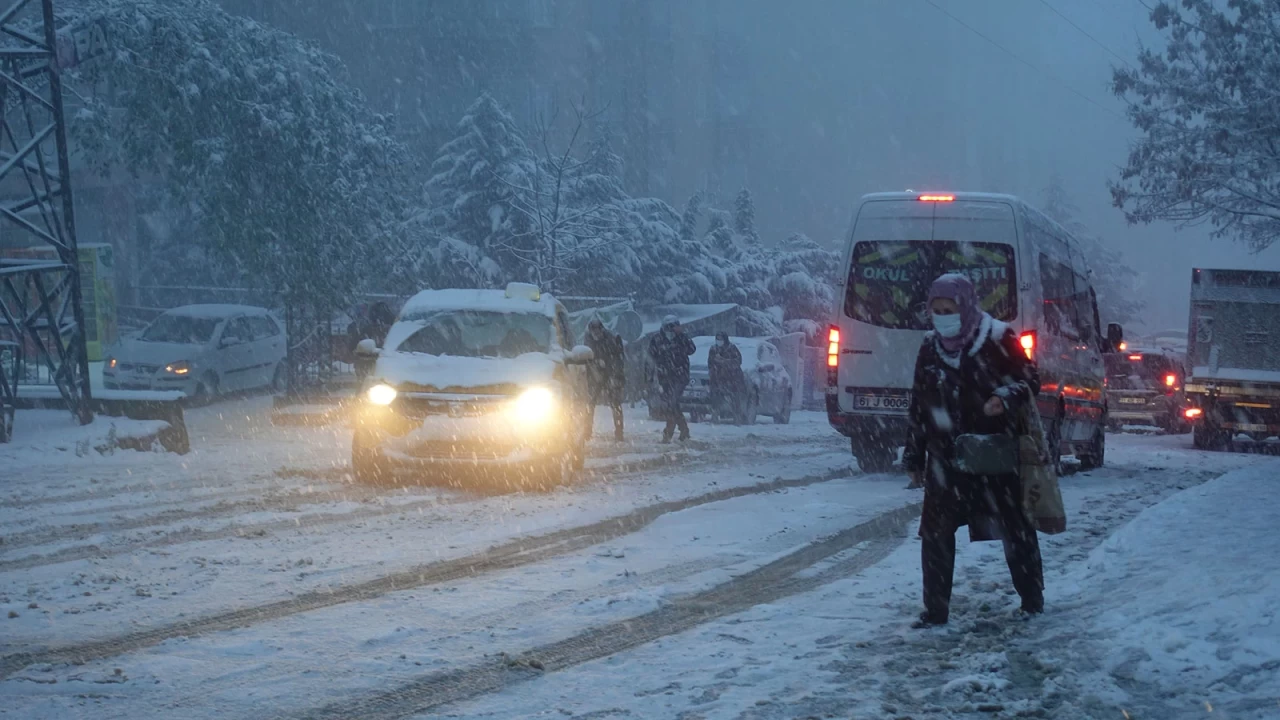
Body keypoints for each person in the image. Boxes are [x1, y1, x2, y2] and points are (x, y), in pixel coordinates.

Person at [902, 273, 1045, 628]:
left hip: (992, 456)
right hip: (945, 458)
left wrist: (1003, 397)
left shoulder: (997, 338)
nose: (942, 316)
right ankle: (935, 611)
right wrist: (913, 456)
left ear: (965, 306)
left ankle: (1032, 600)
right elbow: (919, 405)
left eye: (949, 309)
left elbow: (1030, 380)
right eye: (936, 310)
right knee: (935, 536)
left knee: (1015, 530)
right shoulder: (930, 347)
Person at [648, 315, 695, 443]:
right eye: (668, 328)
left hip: (680, 376)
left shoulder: (682, 338)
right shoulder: (657, 339)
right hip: (665, 377)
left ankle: (669, 432)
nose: (670, 331)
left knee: (672, 402)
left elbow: (692, 349)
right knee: (671, 404)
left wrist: (681, 337)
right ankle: (683, 430)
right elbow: (652, 354)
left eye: (673, 328)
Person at [585, 317, 626, 441]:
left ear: (602, 330)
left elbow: (618, 359)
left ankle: (619, 432)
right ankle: (587, 431)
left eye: (598, 331)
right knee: (589, 403)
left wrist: (614, 375)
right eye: (594, 332)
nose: (596, 334)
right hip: (595, 375)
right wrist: (593, 368)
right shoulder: (588, 340)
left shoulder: (611, 339)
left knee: (615, 404)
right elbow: (587, 357)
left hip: (611, 374)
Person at [707, 331, 743, 421]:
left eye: (721, 339)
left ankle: (736, 416)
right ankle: (715, 415)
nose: (719, 341)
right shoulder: (713, 349)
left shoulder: (732, 348)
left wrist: (725, 362)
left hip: (732, 378)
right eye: (717, 339)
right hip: (717, 378)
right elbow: (710, 363)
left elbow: (738, 361)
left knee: (734, 398)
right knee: (715, 398)